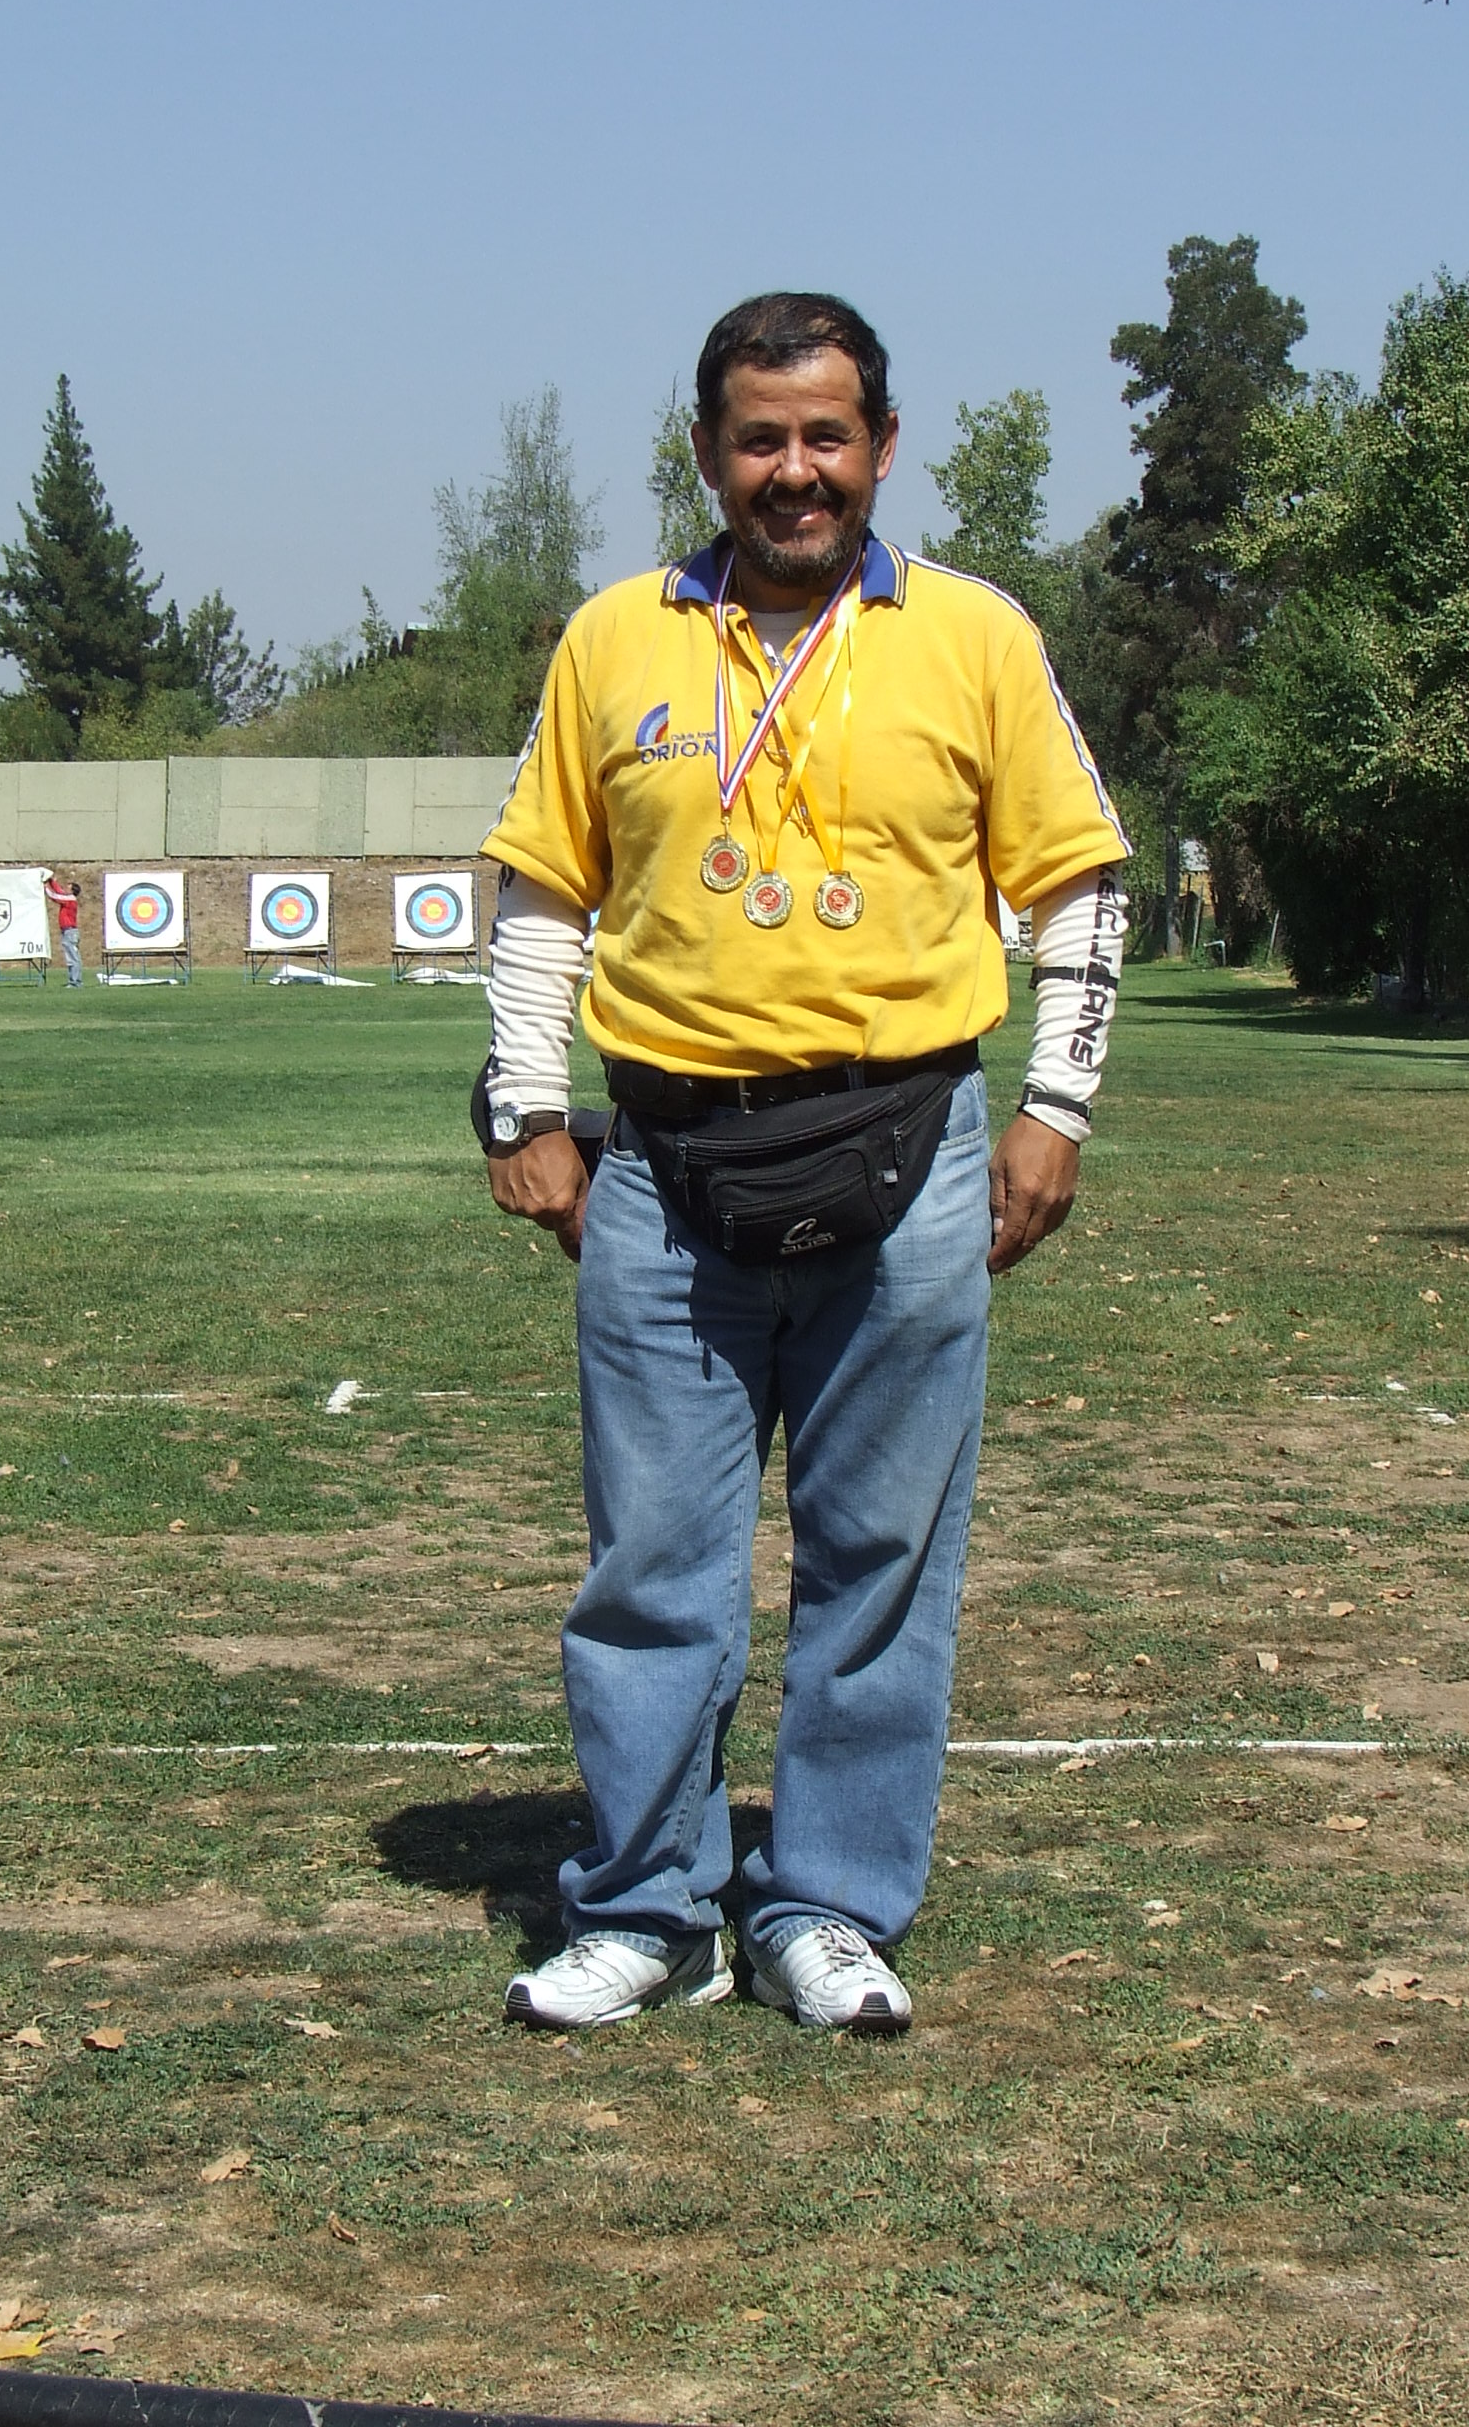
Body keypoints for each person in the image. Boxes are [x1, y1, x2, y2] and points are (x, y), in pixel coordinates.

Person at [478, 293, 1128, 2036]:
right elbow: (540, 891)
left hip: (909, 1152)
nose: (793, 470)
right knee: (650, 1568)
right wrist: (522, 1107)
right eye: (758, 437)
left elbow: (1075, 884)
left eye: (824, 435)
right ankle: (646, 1911)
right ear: (707, 452)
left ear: (879, 447)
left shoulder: (974, 635)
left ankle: (828, 1904)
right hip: (664, 1169)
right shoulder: (614, 639)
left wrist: (1056, 1109)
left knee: (880, 1562)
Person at [44, 873, 83, 986]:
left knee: (72, 958)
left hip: (69, 932)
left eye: (68, 888)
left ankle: (75, 982)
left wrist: (46, 888)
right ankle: (75, 980)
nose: (65, 889)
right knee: (73, 957)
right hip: (69, 931)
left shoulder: (70, 899)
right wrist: (51, 881)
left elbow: (55, 896)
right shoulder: (69, 898)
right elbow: (59, 892)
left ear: (72, 891)